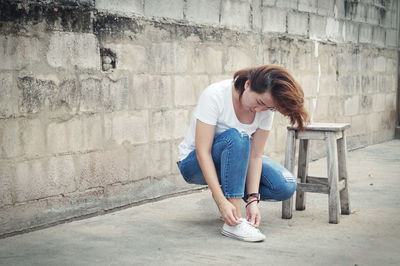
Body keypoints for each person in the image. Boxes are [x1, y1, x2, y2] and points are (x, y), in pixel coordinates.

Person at [176, 64, 309, 242]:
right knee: (238, 137)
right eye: (260, 103)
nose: (260, 110)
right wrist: (221, 201)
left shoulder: (265, 108)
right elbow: (203, 152)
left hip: (236, 160)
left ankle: (234, 199)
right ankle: (234, 221)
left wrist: (253, 200)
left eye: (269, 108)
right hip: (194, 163)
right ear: (247, 85)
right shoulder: (215, 94)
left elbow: (255, 156)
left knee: (285, 185)